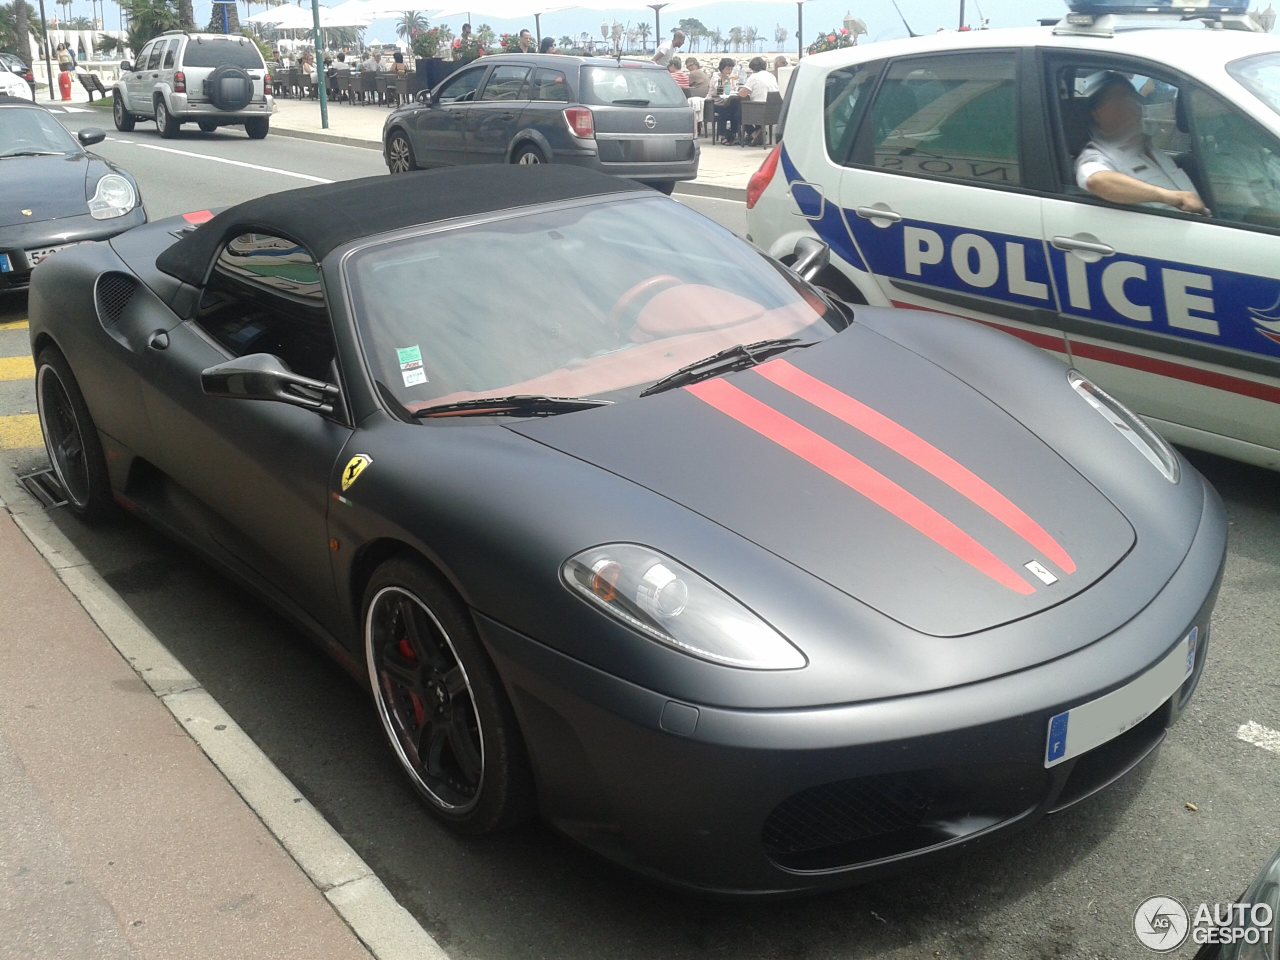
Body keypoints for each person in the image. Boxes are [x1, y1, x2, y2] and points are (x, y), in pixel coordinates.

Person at [1075, 72, 1206, 215]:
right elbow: (1098, 181)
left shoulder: (1149, 149)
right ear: (1098, 113)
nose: (1133, 107)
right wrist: (1168, 197)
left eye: (1133, 99)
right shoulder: (1096, 154)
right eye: (1120, 102)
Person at [737, 55, 780, 145]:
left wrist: (740, 89)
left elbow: (742, 94)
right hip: (773, 111)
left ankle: (754, 133)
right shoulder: (771, 76)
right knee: (754, 104)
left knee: (739, 112)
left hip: (760, 110)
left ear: (753, 68)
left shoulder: (754, 77)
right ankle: (759, 132)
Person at [712, 57, 739, 143]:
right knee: (723, 110)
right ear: (722, 69)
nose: (729, 71)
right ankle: (722, 135)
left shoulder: (729, 78)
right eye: (727, 69)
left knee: (737, 110)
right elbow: (719, 91)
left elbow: (731, 90)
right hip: (715, 103)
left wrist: (731, 82)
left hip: (726, 101)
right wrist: (726, 79)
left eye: (731, 69)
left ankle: (734, 133)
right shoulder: (716, 77)